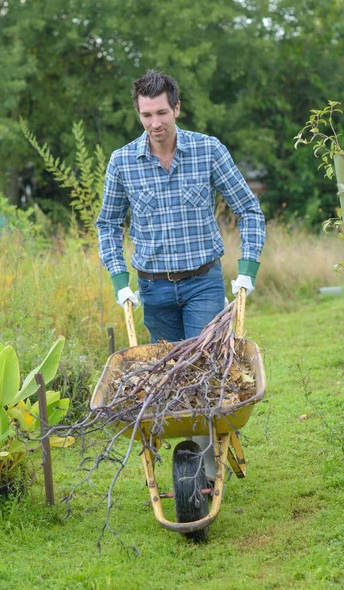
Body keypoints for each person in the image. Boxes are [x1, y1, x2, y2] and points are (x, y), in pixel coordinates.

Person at [96, 70, 265, 479]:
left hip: (203, 281)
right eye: (146, 115)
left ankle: (203, 473)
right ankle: (189, 453)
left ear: (177, 108)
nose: (155, 124)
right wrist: (122, 284)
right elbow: (107, 225)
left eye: (161, 113)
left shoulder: (208, 151)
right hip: (153, 289)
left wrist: (247, 271)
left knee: (205, 372)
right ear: (138, 113)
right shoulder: (122, 162)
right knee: (173, 379)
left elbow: (249, 210)